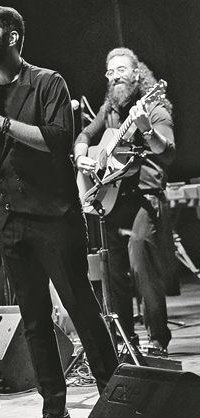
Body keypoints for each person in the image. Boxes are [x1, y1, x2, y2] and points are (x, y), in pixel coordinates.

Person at [0, 2, 118, 418]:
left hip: (53, 218)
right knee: (34, 321)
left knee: (82, 310)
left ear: (12, 37)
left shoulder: (47, 82)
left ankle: (116, 405)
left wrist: (1, 123)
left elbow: (59, 140)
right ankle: (54, 413)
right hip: (10, 219)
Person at [73, 47, 176, 356]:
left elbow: (168, 153)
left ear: (136, 74)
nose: (115, 76)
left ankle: (158, 341)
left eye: (121, 70)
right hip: (114, 197)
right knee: (113, 271)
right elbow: (85, 135)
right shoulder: (109, 110)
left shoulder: (155, 108)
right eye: (111, 71)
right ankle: (125, 341)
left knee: (142, 265)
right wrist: (81, 157)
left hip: (145, 198)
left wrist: (146, 130)